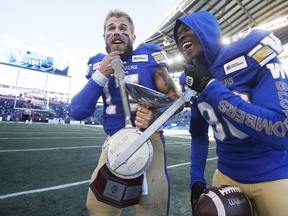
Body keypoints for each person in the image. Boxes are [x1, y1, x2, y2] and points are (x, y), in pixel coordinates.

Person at [173, 11, 288, 216]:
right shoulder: (190, 78)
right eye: (178, 33)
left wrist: (210, 87)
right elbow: (199, 135)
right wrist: (196, 180)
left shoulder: (253, 53)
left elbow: (280, 131)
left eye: (187, 28)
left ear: (206, 31)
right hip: (226, 177)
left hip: (273, 176)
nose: (181, 35)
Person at [70, 9, 181, 216]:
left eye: (123, 28)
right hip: (115, 144)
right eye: (111, 28)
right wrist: (101, 74)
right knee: (99, 208)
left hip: (149, 140)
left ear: (133, 36)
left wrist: (154, 117)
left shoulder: (148, 56)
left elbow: (177, 100)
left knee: (153, 208)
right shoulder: (98, 63)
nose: (117, 32)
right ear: (104, 36)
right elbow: (77, 111)